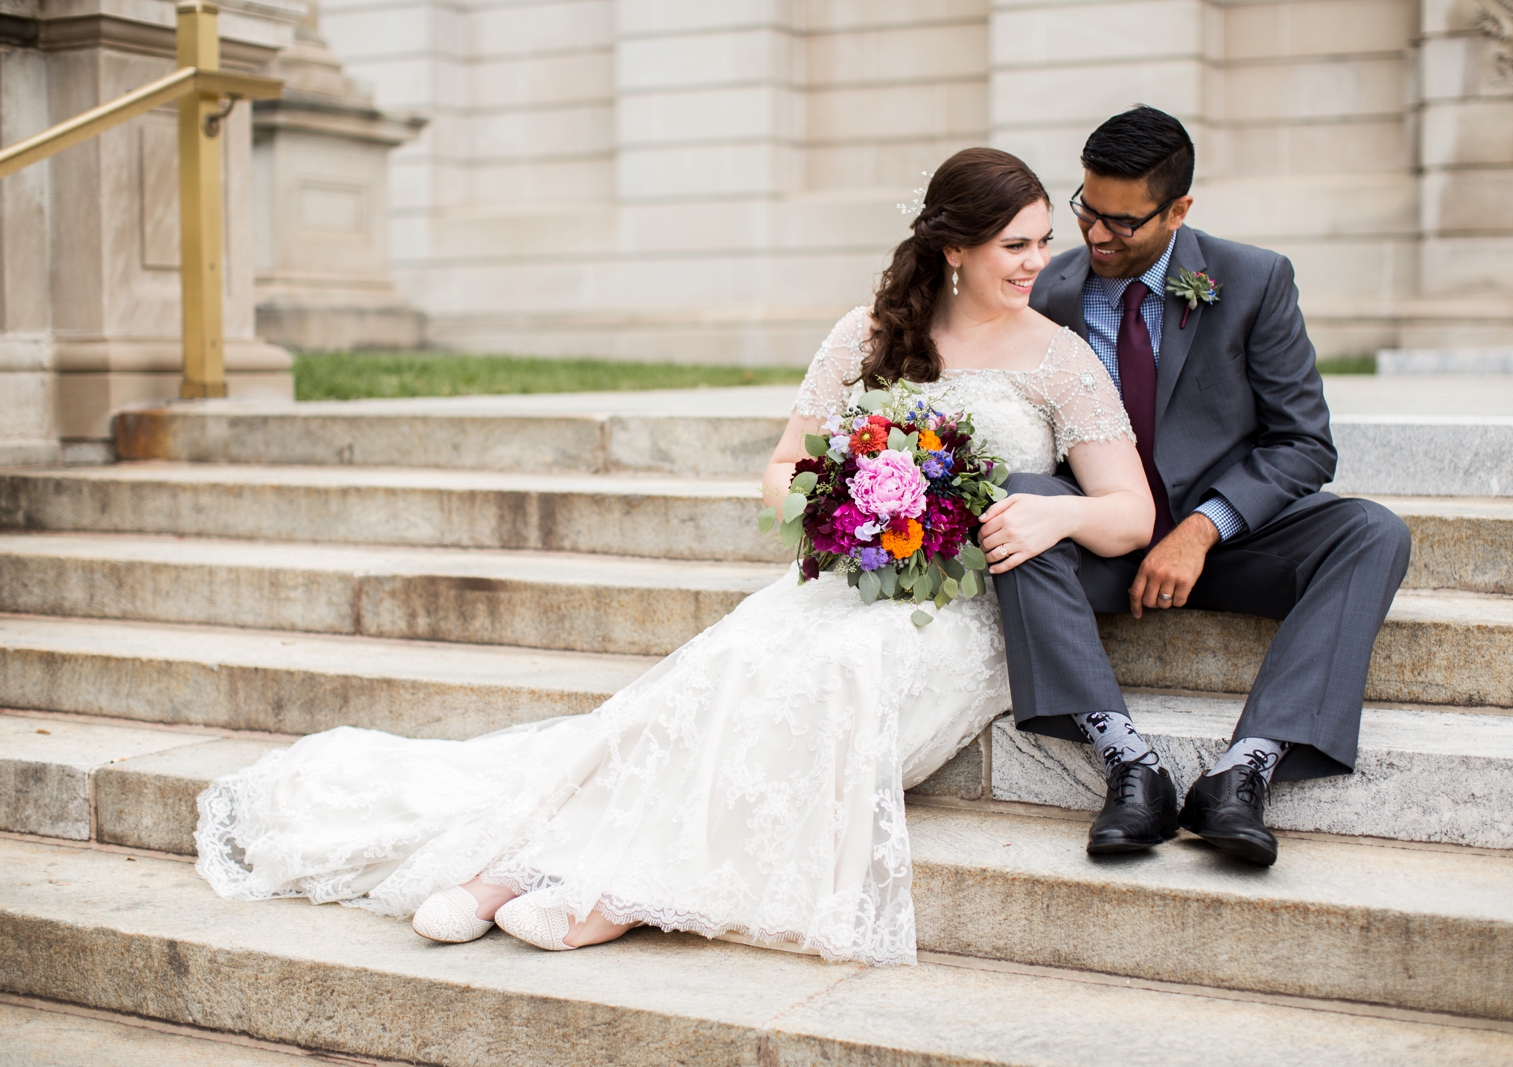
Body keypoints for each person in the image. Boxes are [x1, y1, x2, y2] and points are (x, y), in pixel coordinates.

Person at [193, 148, 1155, 965]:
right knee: (728, 668)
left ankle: (614, 891)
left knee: (831, 680)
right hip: (849, 578)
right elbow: (783, 469)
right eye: (1015, 245)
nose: (1038, 262)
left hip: (963, 611)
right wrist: (844, 507)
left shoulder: (1057, 357)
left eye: (1042, 242)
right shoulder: (870, 334)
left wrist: (1053, 521)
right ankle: (505, 865)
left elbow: (1131, 513)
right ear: (955, 248)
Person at [996, 106, 1412, 867]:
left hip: (1231, 540)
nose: (1095, 235)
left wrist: (1204, 526)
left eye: (1123, 222)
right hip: (1107, 541)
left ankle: (1243, 770)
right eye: (1088, 209)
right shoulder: (1047, 290)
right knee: (1024, 499)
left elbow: (1304, 443)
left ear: (1180, 209)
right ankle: (1129, 765)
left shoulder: (1253, 279)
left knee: (1374, 531)